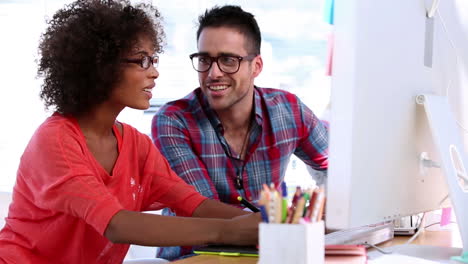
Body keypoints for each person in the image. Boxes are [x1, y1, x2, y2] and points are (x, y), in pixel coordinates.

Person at [0, 1, 260, 263]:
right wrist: (231, 231)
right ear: (101, 66)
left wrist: (267, 226)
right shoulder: (55, 140)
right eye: (143, 61)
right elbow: (117, 224)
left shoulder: (136, 145)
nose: (155, 73)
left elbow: (193, 204)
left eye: (153, 60)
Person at [151, 4, 328, 260]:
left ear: (256, 66)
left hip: (267, 253)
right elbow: (201, 209)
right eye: (204, 60)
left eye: (228, 60)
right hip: (195, 257)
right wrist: (281, 226)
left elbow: (334, 168)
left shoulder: (289, 110)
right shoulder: (173, 121)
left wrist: (326, 211)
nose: (213, 73)